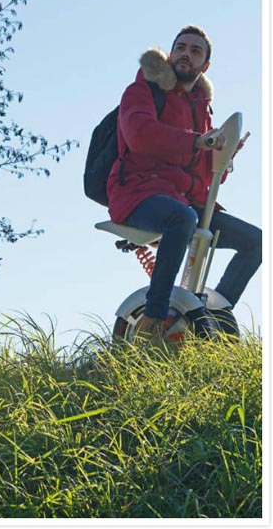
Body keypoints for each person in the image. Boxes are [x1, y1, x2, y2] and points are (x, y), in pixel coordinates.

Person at [107, 25, 261, 344]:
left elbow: (204, 174)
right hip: (138, 191)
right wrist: (198, 141)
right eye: (180, 47)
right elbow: (139, 135)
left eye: (195, 51)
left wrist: (223, 155)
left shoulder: (201, 108)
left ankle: (214, 316)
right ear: (170, 53)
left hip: (185, 198)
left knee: (256, 241)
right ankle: (155, 315)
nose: (185, 54)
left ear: (205, 65)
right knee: (183, 218)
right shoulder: (142, 91)